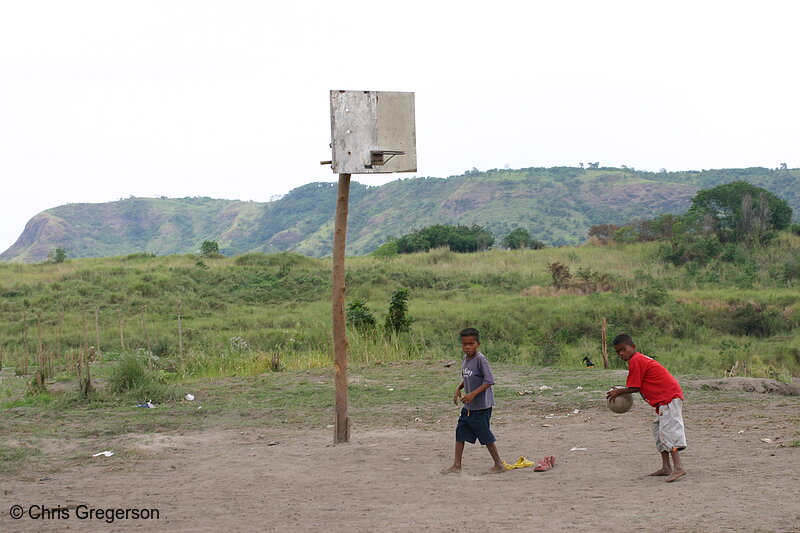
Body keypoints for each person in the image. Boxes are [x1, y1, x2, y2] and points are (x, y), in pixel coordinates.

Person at [607, 333, 687, 482]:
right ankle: (666, 467)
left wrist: (618, 391)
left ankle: (678, 466)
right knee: (658, 432)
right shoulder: (636, 360)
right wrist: (621, 390)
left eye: (623, 349)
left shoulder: (636, 360)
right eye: (618, 351)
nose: (621, 354)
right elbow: (635, 385)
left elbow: (634, 387)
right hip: (663, 401)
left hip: (668, 398)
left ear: (633, 347)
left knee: (669, 433)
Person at [442, 327, 505, 474]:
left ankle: (498, 464)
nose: (468, 347)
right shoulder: (465, 359)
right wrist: (459, 388)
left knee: (485, 436)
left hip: (481, 407)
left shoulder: (480, 360)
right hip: (469, 407)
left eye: (471, 343)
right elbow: (468, 377)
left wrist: (473, 394)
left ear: (478, 344)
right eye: (464, 344)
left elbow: (489, 380)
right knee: (460, 433)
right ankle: (457, 465)